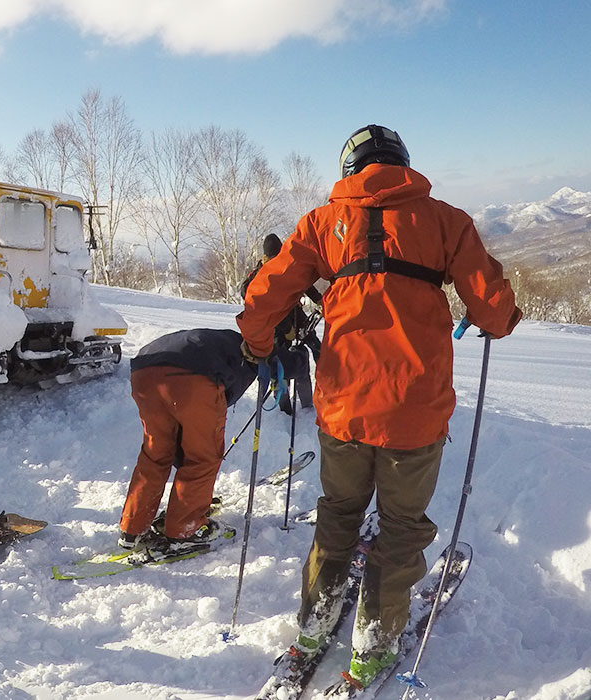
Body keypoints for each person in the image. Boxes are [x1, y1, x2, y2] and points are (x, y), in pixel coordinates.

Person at [237, 124, 522, 694]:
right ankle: (373, 646)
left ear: (351, 168)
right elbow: (493, 309)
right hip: (414, 417)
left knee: (339, 513)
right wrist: (498, 318)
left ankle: (315, 626)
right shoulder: (446, 221)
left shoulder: (322, 223)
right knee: (398, 531)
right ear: (402, 163)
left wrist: (259, 344)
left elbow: (264, 296)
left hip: (342, 408)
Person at [118, 328, 260, 556]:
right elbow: (224, 396)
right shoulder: (248, 354)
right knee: (202, 456)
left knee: (156, 453)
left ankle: (132, 527)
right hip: (192, 376)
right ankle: (185, 528)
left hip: (144, 372)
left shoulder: (217, 340)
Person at [240, 233, 323, 414]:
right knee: (278, 362)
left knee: (317, 348)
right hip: (273, 323)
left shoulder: (285, 267)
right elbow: (263, 304)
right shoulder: (256, 278)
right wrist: (286, 329)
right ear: (264, 258)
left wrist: (319, 299)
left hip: (294, 314)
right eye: (273, 259)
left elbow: (302, 283)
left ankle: (322, 393)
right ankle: (285, 407)